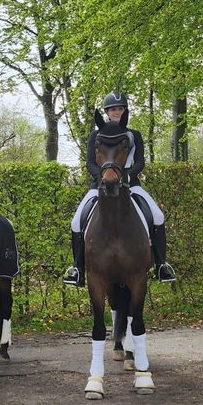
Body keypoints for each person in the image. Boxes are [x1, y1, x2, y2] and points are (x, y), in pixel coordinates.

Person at [62, 91, 176, 286]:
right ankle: (77, 268)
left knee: (157, 216)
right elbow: (90, 163)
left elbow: (140, 162)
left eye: (120, 109)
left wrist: (128, 175)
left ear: (125, 111)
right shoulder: (96, 135)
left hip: (131, 185)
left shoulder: (134, 135)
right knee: (76, 221)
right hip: (101, 184)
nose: (117, 112)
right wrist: (104, 178)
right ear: (107, 112)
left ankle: (161, 265)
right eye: (113, 109)